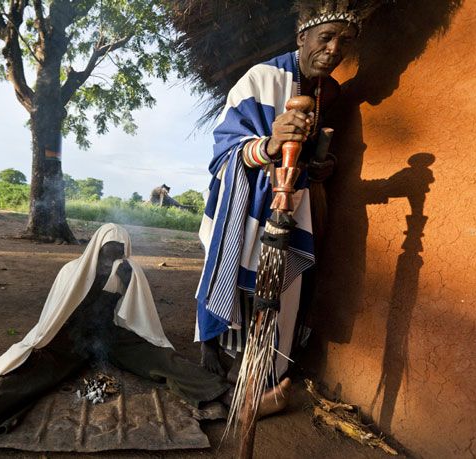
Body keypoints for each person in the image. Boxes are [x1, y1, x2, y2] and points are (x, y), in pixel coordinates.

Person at [0, 224, 286, 458]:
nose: (114, 259)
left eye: (120, 253)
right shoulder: (71, 272)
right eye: (109, 252)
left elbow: (139, 316)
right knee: (26, 377)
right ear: (96, 249)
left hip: (110, 337)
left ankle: (239, 401)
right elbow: (51, 320)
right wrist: (39, 348)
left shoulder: (127, 272)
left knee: (163, 363)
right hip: (68, 340)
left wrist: (145, 335)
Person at [196, 1, 364, 390]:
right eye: (326, 38)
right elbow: (225, 149)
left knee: (274, 283)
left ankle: (256, 355)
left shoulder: (328, 93)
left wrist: (321, 166)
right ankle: (209, 342)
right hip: (246, 196)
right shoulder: (261, 78)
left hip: (292, 197)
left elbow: (310, 153)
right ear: (303, 38)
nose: (335, 49)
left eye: (345, 42)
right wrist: (271, 144)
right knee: (232, 268)